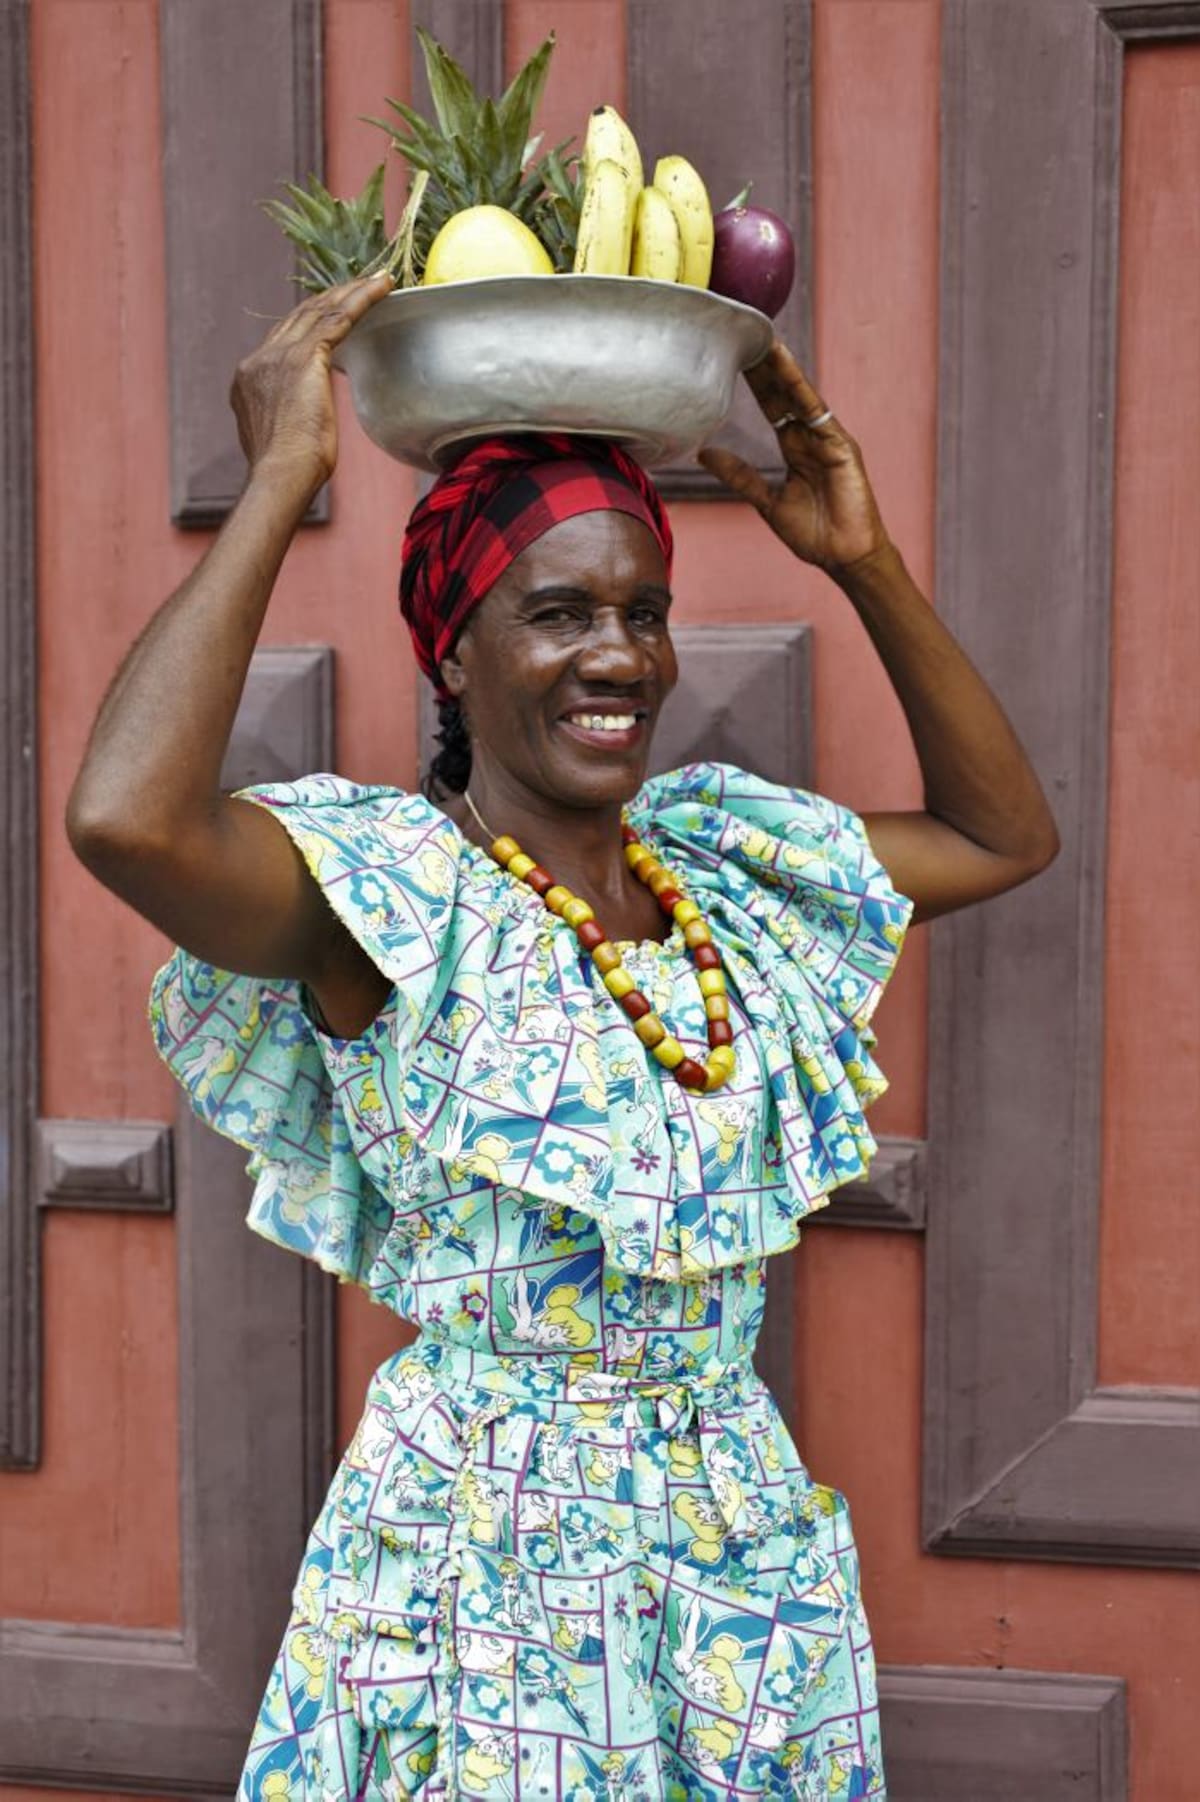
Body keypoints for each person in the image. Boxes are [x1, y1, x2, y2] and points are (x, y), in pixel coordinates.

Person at [68, 273, 1058, 1801]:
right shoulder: (393, 899)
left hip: (736, 1544)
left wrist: (866, 566)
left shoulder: (725, 874)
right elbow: (125, 820)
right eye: (558, 612)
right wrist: (278, 482)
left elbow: (1004, 835)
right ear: (451, 651)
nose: (621, 656)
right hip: (491, 1573)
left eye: (642, 609)